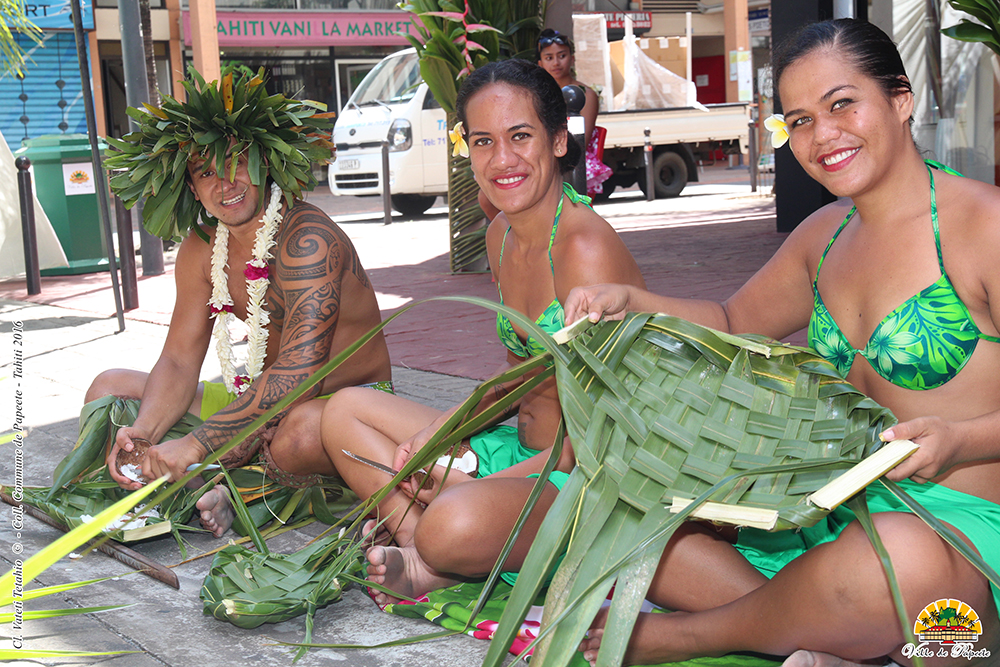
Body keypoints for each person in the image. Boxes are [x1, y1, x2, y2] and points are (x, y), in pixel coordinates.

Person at [564, 19, 1000, 667]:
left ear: (901, 99)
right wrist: (632, 301)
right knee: (641, 528)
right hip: (832, 528)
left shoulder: (984, 225)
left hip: (959, 544)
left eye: (842, 104)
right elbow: (732, 318)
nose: (823, 136)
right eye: (799, 121)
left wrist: (960, 440)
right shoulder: (823, 235)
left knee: (905, 567)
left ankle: (696, 635)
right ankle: (830, 631)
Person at [317, 58, 645, 605]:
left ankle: (438, 541)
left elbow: (603, 435)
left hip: (583, 477)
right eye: (483, 142)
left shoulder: (585, 250)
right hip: (515, 449)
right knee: (344, 411)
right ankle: (418, 547)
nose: (502, 160)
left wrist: (471, 483)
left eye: (520, 136)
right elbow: (521, 372)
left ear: (558, 140)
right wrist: (443, 429)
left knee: (454, 520)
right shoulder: (501, 236)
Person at [92, 66, 392, 537]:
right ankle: (188, 482)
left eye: (236, 162)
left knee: (298, 433)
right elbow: (178, 359)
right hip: (257, 399)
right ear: (192, 188)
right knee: (109, 387)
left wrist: (195, 443)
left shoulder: (308, 240)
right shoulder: (201, 249)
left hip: (342, 406)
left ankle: (230, 491)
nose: (225, 183)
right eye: (206, 171)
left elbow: (300, 372)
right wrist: (145, 433)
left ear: (264, 164)